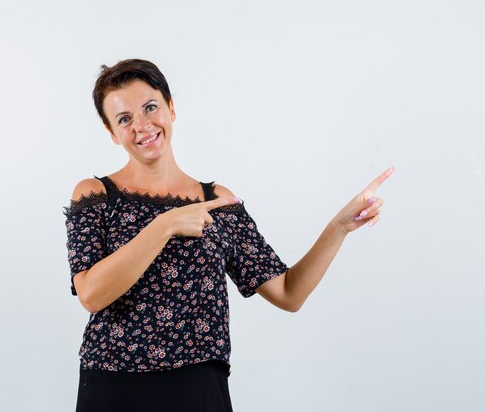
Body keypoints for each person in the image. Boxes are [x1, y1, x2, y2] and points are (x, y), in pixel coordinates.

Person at [63, 58, 394, 412]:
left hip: (199, 386)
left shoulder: (217, 201)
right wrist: (165, 225)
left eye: (150, 107)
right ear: (112, 133)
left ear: (171, 108)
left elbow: (288, 292)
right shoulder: (95, 194)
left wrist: (339, 227)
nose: (142, 126)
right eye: (124, 119)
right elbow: (92, 294)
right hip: (114, 384)